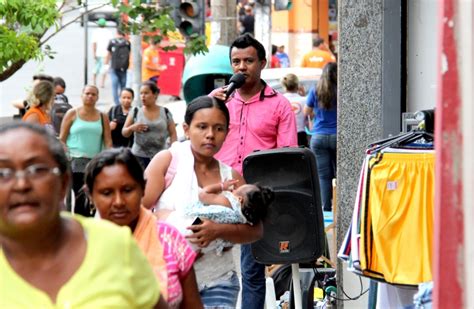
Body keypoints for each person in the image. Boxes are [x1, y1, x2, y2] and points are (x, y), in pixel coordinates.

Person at [0, 122, 167, 309]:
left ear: (63, 183)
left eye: (37, 170)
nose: (21, 184)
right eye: (3, 173)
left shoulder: (115, 244)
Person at [143, 95, 263, 307]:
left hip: (218, 281)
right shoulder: (168, 161)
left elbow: (255, 230)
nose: (210, 135)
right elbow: (137, 211)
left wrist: (217, 230)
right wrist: (166, 223)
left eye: (219, 128)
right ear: (186, 129)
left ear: (227, 132)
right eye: (202, 127)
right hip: (168, 281)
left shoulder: (231, 178)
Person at [209, 33, 298, 309]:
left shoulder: (279, 105)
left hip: (253, 199)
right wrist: (209, 106)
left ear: (262, 63)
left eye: (248, 60)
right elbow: (198, 142)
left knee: (251, 273)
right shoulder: (219, 102)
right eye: (236, 61)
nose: (241, 67)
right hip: (215, 195)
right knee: (207, 270)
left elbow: (287, 156)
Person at [85, 148, 203, 309]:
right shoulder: (80, 246)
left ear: (142, 188)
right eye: (107, 193)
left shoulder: (169, 239)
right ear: (90, 196)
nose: (119, 201)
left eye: (127, 190)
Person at [60, 85, 112, 217]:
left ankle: (89, 225)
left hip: (95, 162)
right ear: (82, 95)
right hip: (76, 161)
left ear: (97, 97)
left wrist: (110, 159)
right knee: (81, 194)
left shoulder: (102, 116)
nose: (90, 96)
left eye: (93, 94)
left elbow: (108, 141)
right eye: (87, 93)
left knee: (93, 195)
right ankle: (80, 225)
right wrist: (66, 156)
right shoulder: (72, 113)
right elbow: (62, 139)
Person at [184, 180, 274, 255]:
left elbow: (203, 195)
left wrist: (222, 186)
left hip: (193, 224)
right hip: (209, 245)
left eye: (235, 190)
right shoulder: (245, 221)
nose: (232, 191)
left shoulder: (228, 202)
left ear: (239, 199)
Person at [304, 62, 337, 211]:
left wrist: (316, 115)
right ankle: (341, 205)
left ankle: (326, 207)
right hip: (338, 136)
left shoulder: (316, 90)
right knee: (340, 173)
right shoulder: (341, 90)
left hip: (319, 136)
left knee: (324, 176)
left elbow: (306, 111)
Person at [122, 81, 177, 169]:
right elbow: (124, 132)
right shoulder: (136, 111)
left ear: (155, 94)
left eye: (146, 93)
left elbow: (173, 133)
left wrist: (173, 151)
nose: (143, 96)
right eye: (141, 93)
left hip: (160, 156)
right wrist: (132, 128)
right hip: (139, 156)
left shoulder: (165, 112)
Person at [281, 73, 309, 147]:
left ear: (284, 86)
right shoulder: (305, 100)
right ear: (297, 86)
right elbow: (309, 121)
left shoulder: (280, 100)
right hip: (301, 135)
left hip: (285, 136)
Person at [106, 28, 131, 105]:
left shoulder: (112, 42)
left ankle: (117, 103)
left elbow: (109, 53)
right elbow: (129, 53)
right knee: (123, 86)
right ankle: (123, 101)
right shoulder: (127, 43)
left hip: (114, 67)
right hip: (124, 67)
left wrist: (106, 64)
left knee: (115, 86)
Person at [91, 18, 114, 88]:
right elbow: (111, 44)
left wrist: (94, 53)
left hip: (98, 53)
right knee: (104, 69)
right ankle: (102, 83)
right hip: (106, 53)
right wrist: (110, 54)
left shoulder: (95, 32)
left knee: (96, 68)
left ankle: (94, 82)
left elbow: (94, 43)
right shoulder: (109, 32)